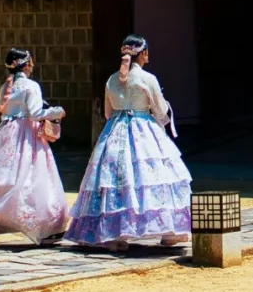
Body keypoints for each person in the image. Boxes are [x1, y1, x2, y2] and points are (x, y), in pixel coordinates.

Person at [68, 35, 192, 250]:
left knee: (113, 181)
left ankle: (112, 234)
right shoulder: (147, 78)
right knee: (152, 176)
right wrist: (162, 119)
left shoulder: (111, 79)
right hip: (143, 128)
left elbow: (108, 112)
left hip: (114, 130)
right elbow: (161, 111)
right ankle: (170, 231)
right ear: (143, 53)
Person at [0, 48, 70, 249]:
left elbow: (6, 109)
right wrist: (57, 111)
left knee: (0, 177)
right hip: (26, 136)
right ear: (27, 64)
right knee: (31, 177)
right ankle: (45, 226)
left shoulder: (6, 86)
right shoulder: (31, 86)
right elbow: (36, 113)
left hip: (5, 132)